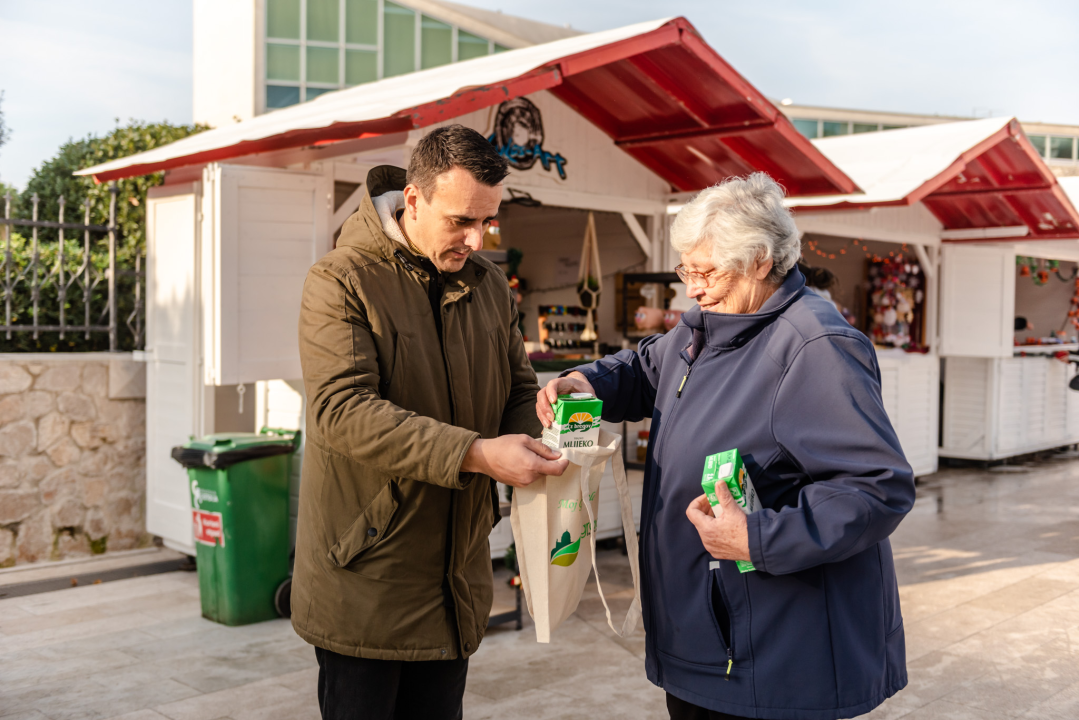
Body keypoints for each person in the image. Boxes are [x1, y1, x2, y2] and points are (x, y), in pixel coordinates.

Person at [538, 173, 915, 720]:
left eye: (706, 270)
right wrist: (586, 382)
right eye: (686, 270)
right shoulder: (710, 322)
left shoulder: (815, 346)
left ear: (761, 261)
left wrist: (759, 536)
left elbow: (877, 488)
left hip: (775, 652)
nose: (691, 287)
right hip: (709, 638)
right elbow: (645, 368)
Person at [294, 125, 568, 720]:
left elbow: (517, 390)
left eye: (487, 222)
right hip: (366, 576)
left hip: (455, 582)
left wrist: (554, 428)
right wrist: (477, 454)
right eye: (460, 220)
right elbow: (342, 412)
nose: (475, 238)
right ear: (412, 201)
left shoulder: (490, 285)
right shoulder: (339, 279)